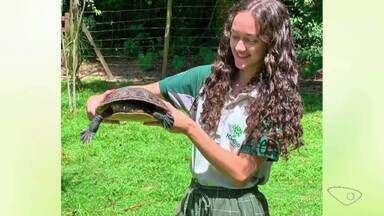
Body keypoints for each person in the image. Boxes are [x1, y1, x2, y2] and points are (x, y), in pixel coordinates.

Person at [86, 0, 303, 215]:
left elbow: (241, 172)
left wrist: (190, 128)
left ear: (271, 43)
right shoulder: (207, 79)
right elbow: (147, 91)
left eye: (250, 40)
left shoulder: (275, 100)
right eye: (235, 36)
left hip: (238, 206)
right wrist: (103, 98)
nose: (239, 47)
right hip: (196, 200)